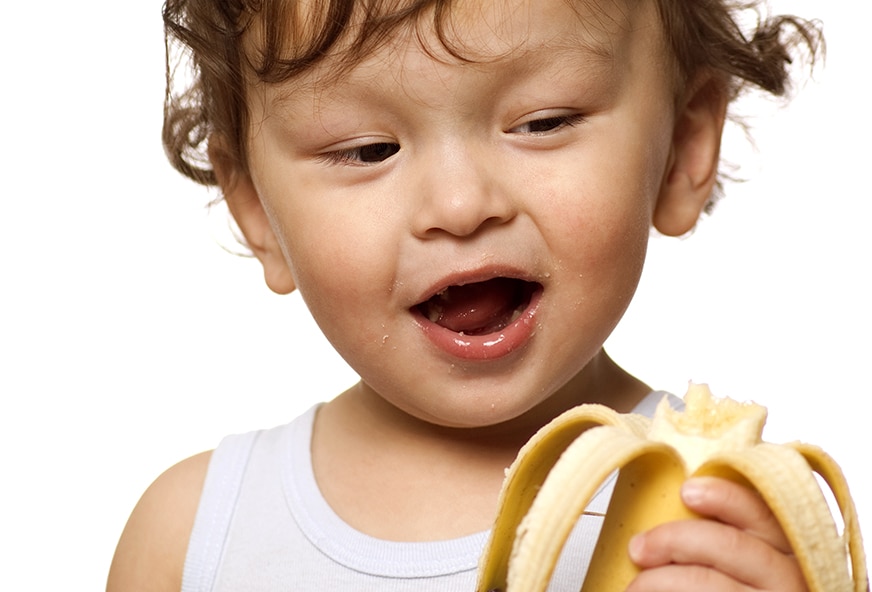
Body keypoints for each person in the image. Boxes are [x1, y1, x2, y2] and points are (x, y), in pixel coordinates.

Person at [108, 0, 821, 589]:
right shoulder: (192, 537)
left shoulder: (728, 520)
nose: (459, 204)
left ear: (683, 146)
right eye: (367, 150)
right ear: (256, 208)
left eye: (544, 123)